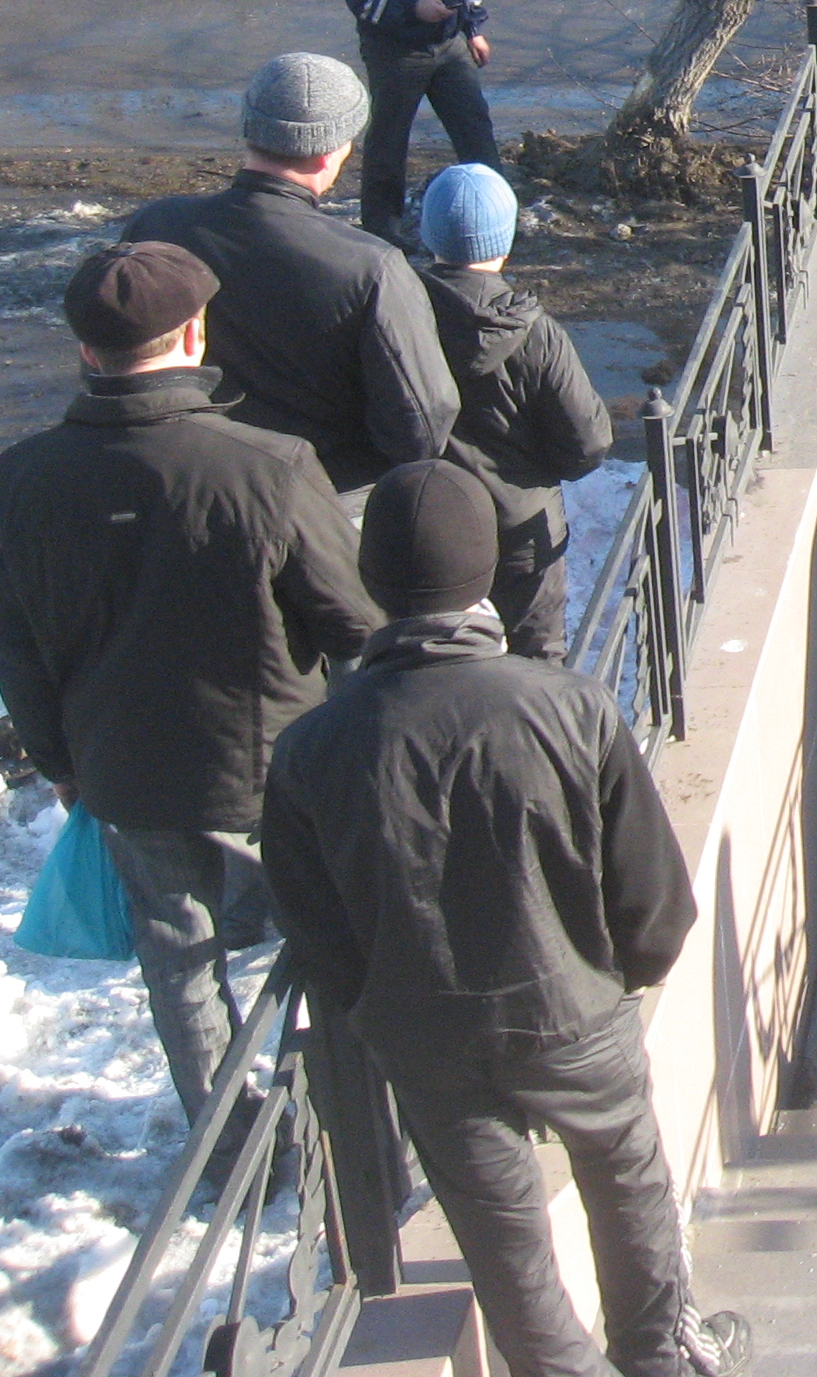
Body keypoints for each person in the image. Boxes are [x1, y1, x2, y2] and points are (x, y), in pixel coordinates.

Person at [262, 463, 749, 1377]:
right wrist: (618, 979)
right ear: (485, 575)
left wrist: (375, 1006)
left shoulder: (311, 747)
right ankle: (659, 1355)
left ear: (373, 582)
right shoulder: (567, 708)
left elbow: (313, 925)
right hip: (573, 1013)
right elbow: (652, 899)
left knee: (503, 1242)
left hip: (426, 1034)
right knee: (628, 1177)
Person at [0, 245, 378, 1144]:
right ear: (194, 334)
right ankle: (354, 1133)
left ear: (86, 351)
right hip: (278, 765)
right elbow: (356, 618)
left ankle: (238, 1148)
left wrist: (63, 766)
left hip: (123, 769)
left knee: (181, 963)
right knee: (327, 933)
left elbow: (13, 647)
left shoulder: (20, 479)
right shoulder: (269, 465)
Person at [125, 55, 459, 497]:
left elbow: (113, 365)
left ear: (250, 130)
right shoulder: (370, 267)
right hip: (321, 498)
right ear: (333, 151)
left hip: (177, 484)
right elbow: (422, 425)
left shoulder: (155, 231)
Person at [417, 164, 614, 660]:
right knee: (535, 666)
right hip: (522, 529)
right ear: (503, 240)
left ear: (429, 235)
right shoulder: (534, 332)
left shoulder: (398, 314)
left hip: (427, 520)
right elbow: (587, 444)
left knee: (428, 666)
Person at [342, 0, 498, 249]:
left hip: (449, 45)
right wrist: (412, 7)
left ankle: (494, 215)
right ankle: (382, 229)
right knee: (389, 141)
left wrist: (474, 28)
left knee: (476, 130)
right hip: (396, 51)